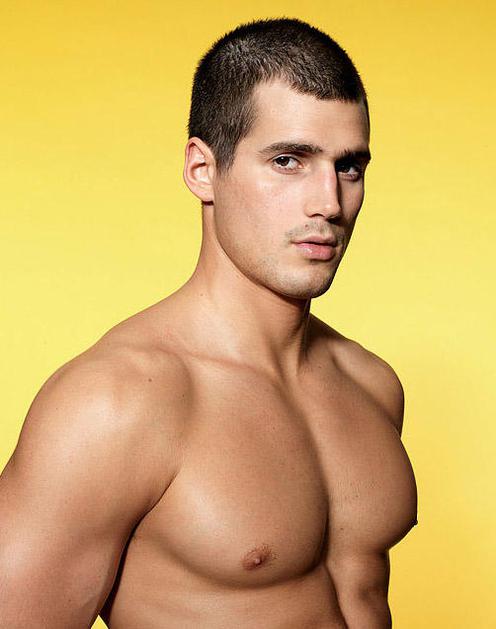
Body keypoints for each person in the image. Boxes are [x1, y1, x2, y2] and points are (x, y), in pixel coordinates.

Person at [0, 17, 418, 629]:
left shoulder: (371, 385)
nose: (329, 203)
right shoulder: (114, 405)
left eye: (349, 166)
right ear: (202, 170)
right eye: (288, 160)